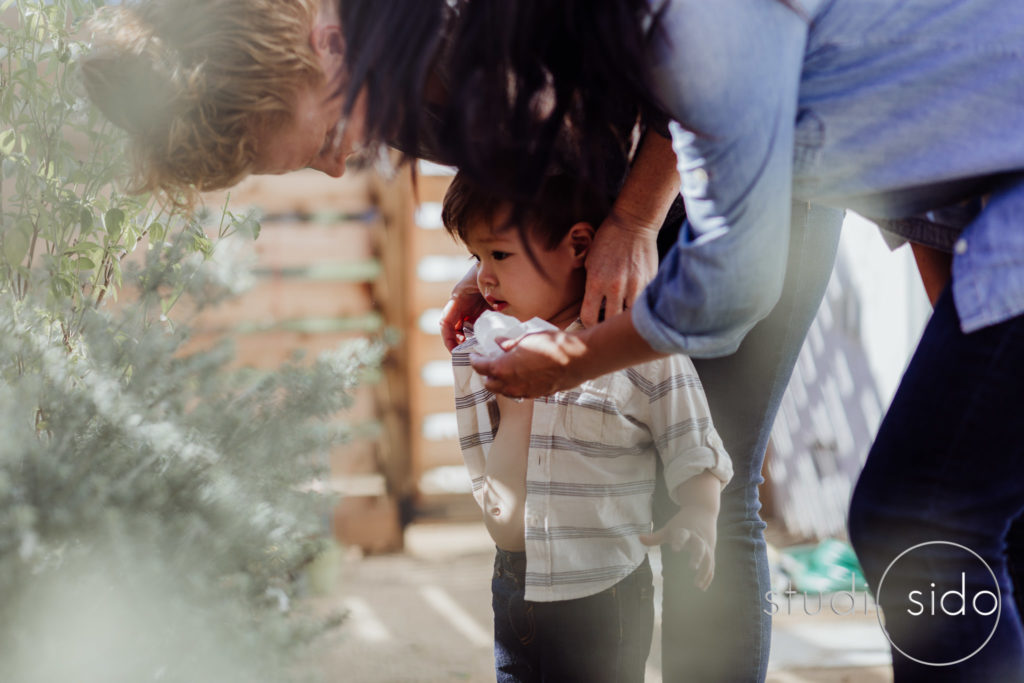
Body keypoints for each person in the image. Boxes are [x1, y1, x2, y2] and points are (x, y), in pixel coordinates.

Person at [82, 0, 1024, 679]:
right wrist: (501, 264)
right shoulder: (403, 78)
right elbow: (551, 164)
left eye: (327, 135)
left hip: (743, 181)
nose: (341, 166)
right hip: (874, 171)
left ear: (322, 44)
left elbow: (715, 179)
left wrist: (624, 234)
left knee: (760, 486)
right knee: (935, 506)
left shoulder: (663, 28)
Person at [443, 170, 732, 682]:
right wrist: (518, 409)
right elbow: (496, 506)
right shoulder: (481, 356)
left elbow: (692, 434)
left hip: (606, 590)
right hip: (514, 585)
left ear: (578, 245)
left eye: (500, 255)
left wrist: (699, 510)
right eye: (476, 257)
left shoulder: (635, 349)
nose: (483, 278)